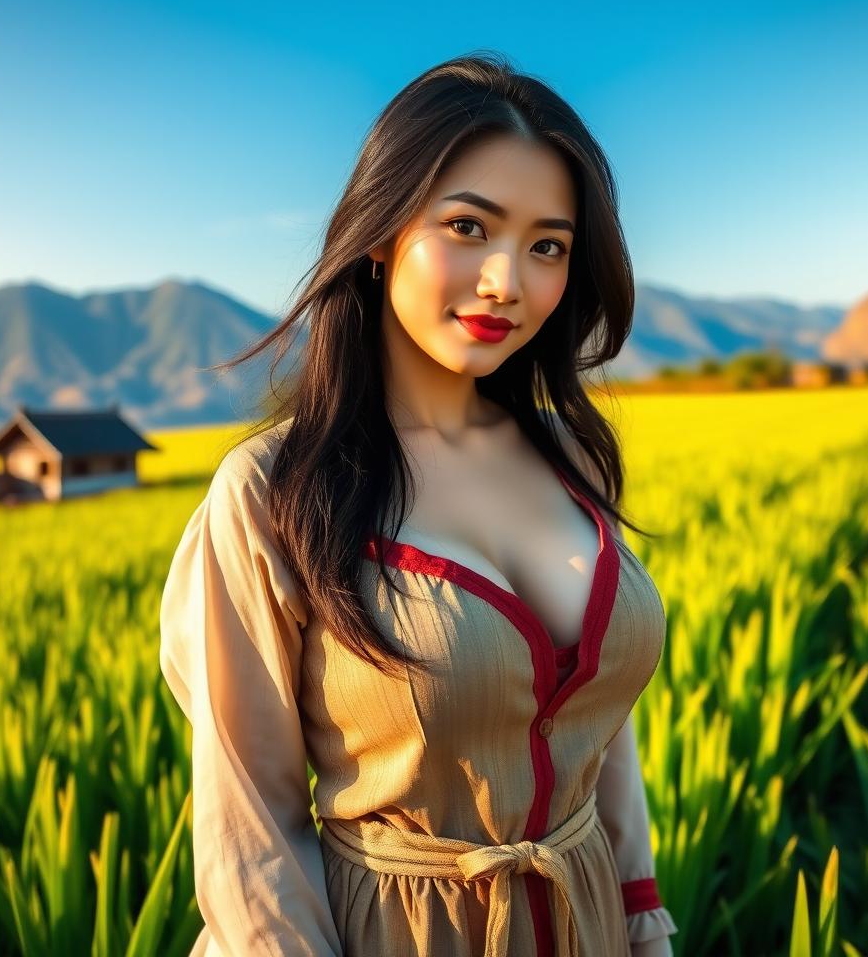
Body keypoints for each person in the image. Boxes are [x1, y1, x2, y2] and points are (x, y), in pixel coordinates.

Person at [159, 50, 679, 957]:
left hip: (589, 921)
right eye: (470, 227)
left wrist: (644, 929)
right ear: (379, 232)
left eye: (547, 246)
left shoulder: (572, 463)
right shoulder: (275, 495)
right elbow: (254, 843)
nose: (505, 282)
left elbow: (604, 737)